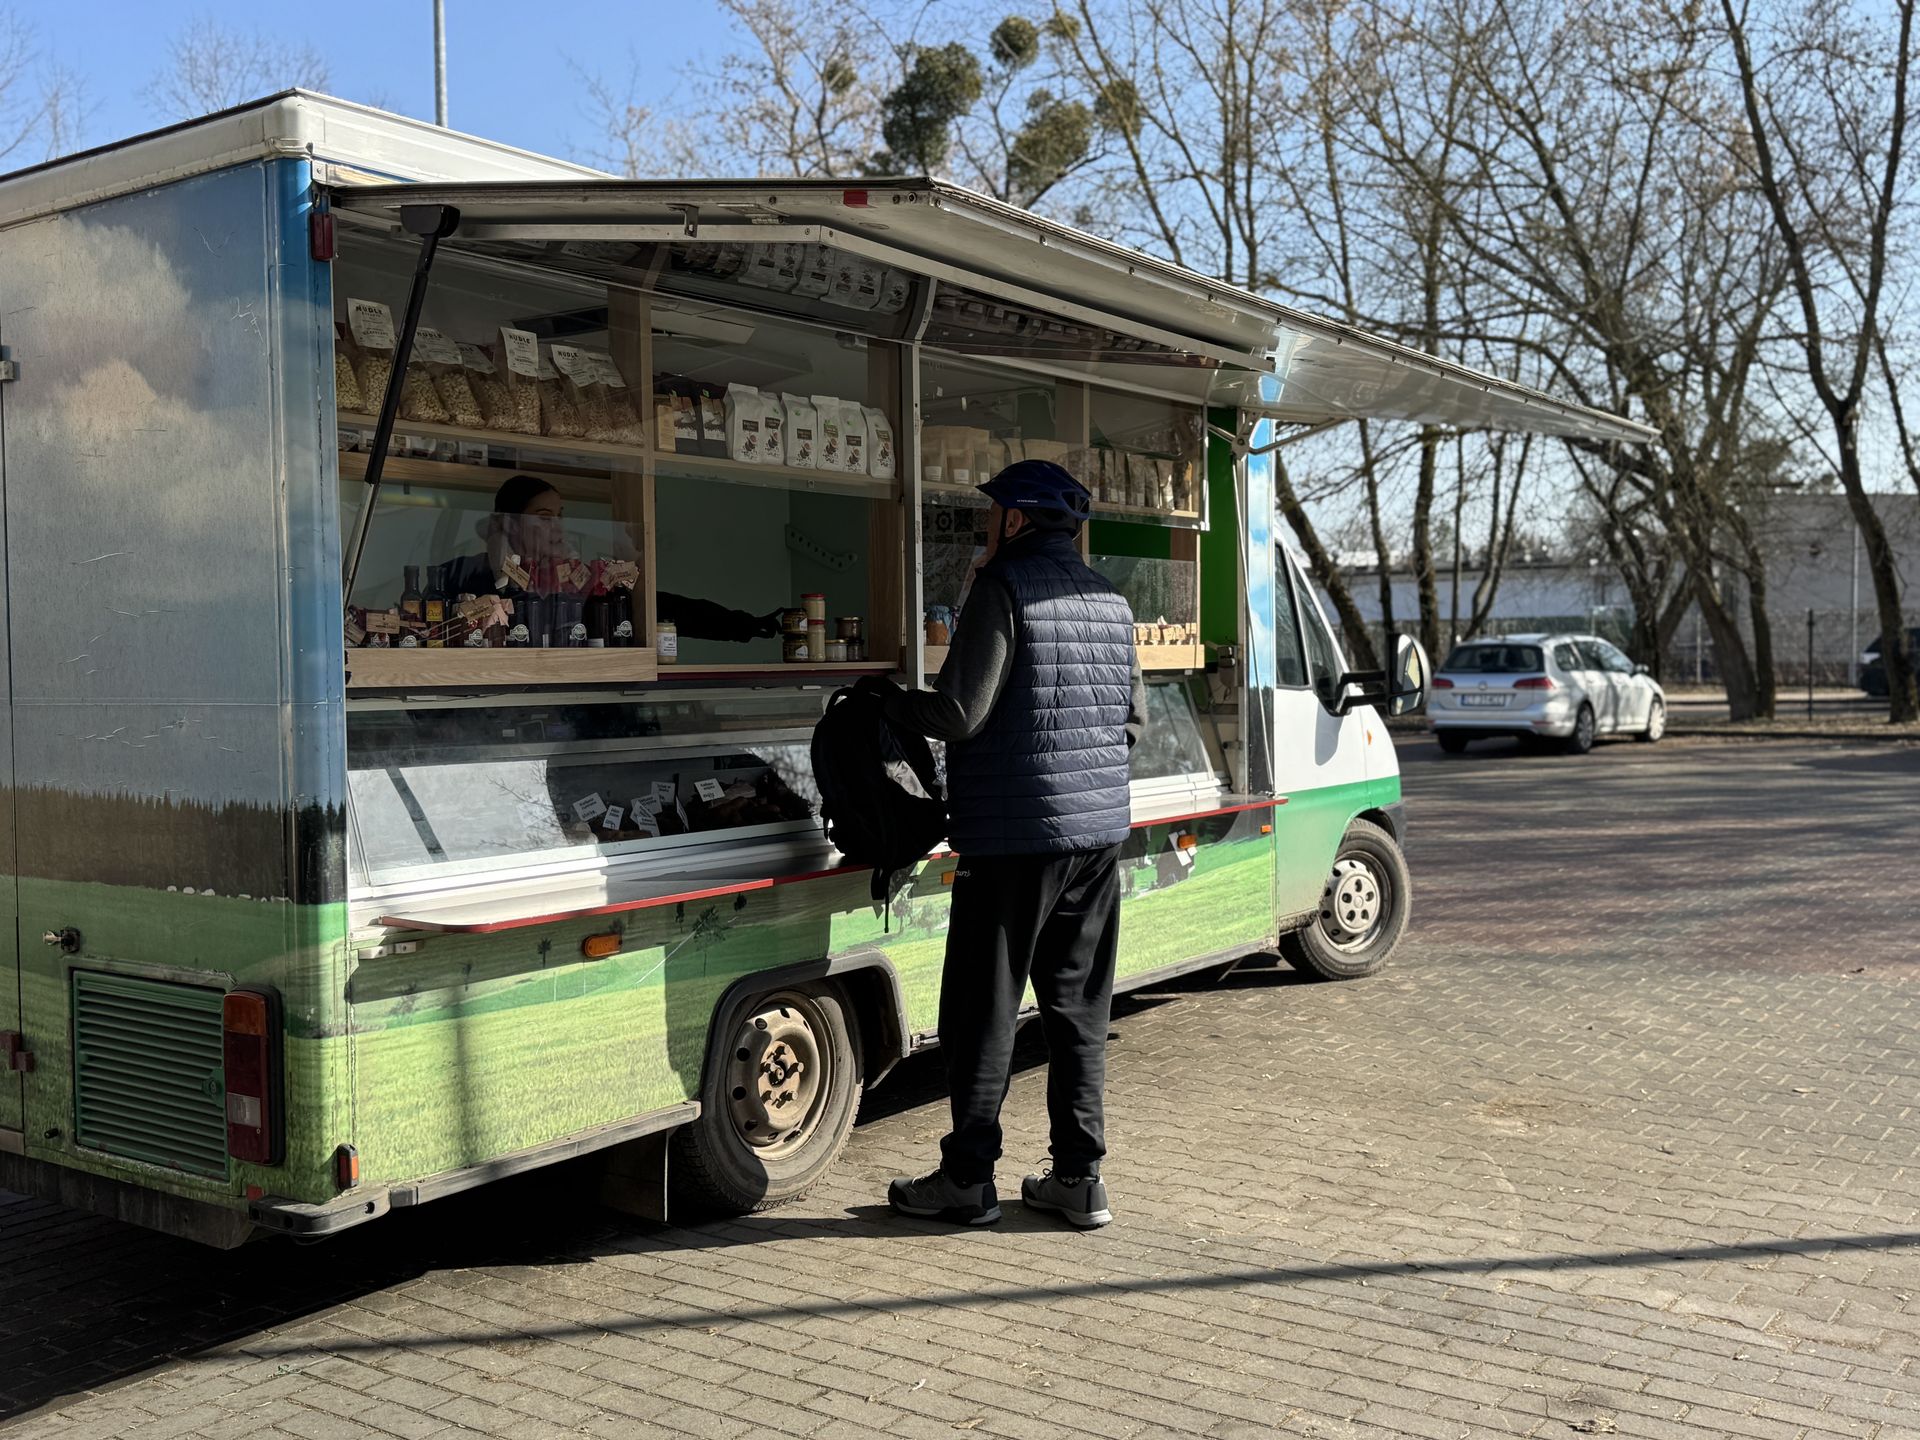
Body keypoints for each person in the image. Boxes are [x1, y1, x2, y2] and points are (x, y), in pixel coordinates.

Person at [880, 460, 1146, 1229]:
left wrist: (891, 701)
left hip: (1013, 838)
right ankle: (1079, 1178)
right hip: (1096, 838)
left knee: (983, 1012)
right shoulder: (1109, 600)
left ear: (1017, 521)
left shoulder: (1002, 589)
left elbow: (961, 712)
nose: (984, 529)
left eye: (991, 515)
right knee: (1078, 1010)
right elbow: (1133, 725)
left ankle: (967, 1179)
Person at [445, 474, 784, 643]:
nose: (557, 527)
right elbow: (438, 626)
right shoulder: (469, 573)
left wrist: (744, 624)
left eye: (561, 516)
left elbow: (661, 609)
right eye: (545, 516)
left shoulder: (579, 577)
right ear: (511, 522)